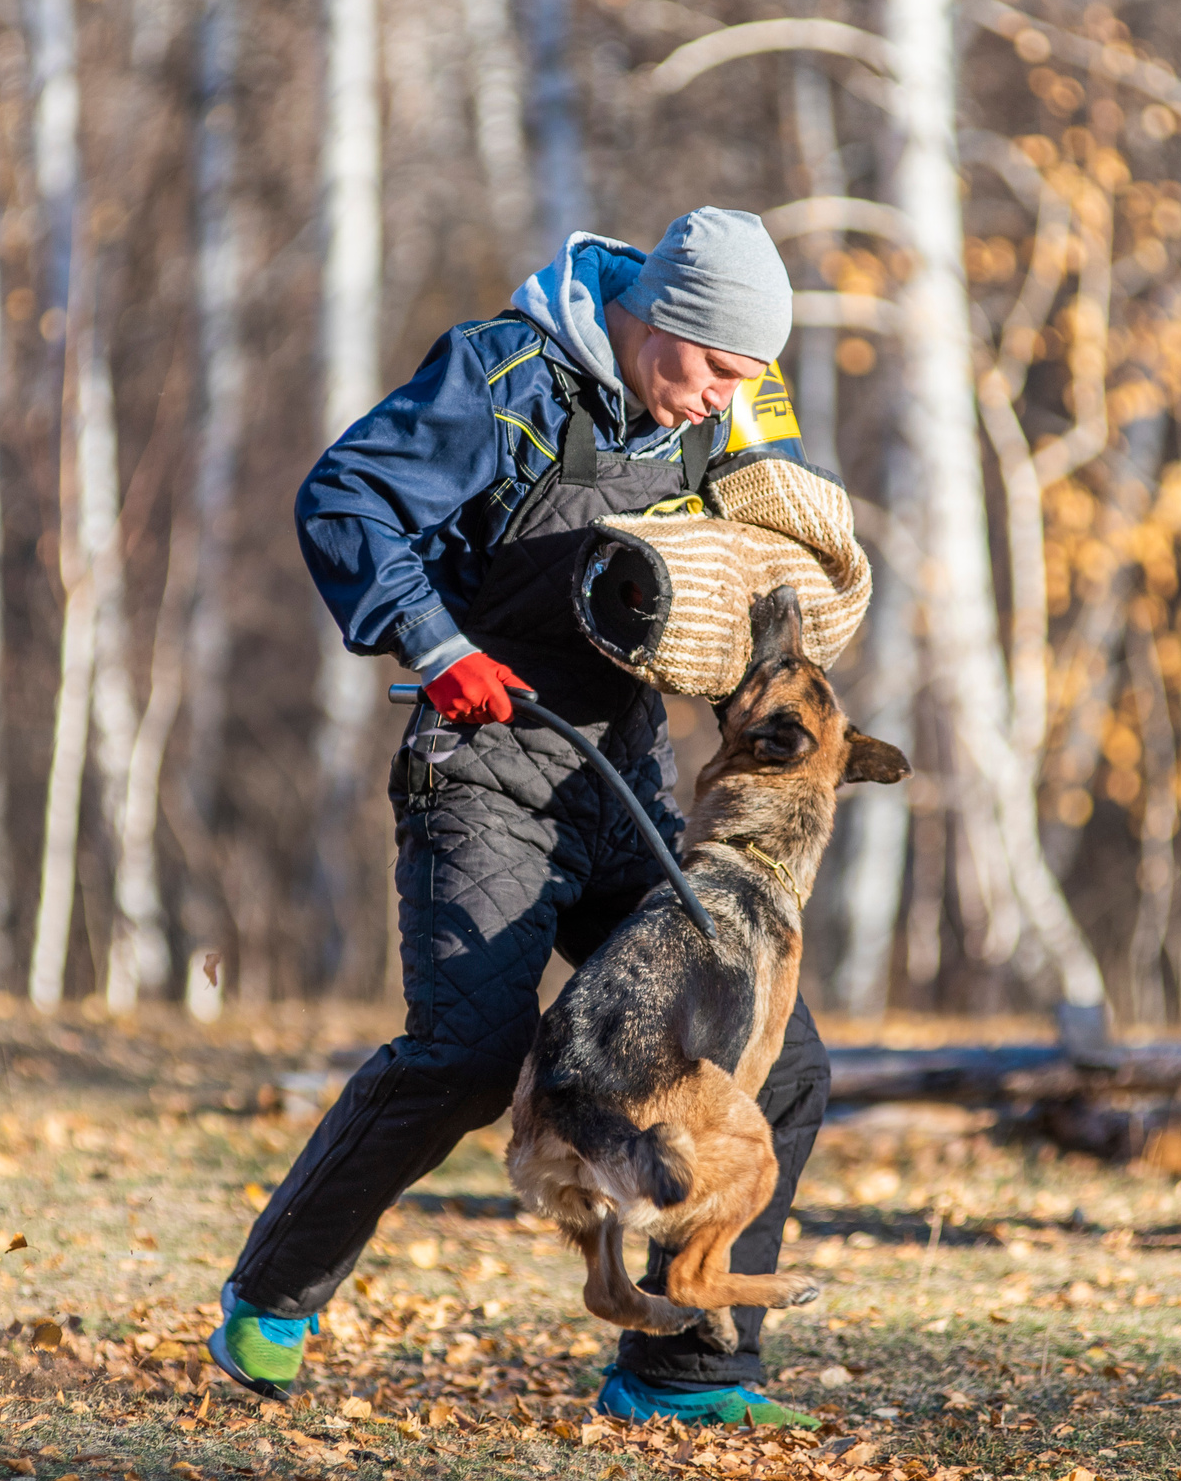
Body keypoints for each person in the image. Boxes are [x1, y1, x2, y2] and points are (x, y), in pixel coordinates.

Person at [208, 209, 827, 1426]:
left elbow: (787, 514)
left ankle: (682, 1371)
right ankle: (272, 1296)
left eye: (746, 381)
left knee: (788, 1065)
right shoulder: (502, 373)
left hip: (623, 777)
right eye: (711, 369)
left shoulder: (732, 402)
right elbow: (345, 496)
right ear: (660, 319)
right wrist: (435, 642)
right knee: (469, 1056)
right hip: (483, 767)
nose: (722, 401)